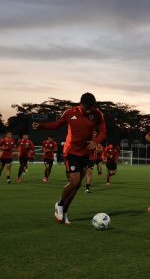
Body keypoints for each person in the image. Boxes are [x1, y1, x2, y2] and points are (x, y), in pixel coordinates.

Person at [33, 92, 106, 225]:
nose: (89, 110)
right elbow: (57, 124)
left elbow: (103, 132)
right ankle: (60, 204)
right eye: (86, 108)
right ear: (80, 104)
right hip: (71, 152)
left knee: (77, 185)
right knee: (74, 181)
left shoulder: (97, 114)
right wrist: (42, 126)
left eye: (91, 108)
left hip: (86, 153)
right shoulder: (69, 113)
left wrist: (95, 141)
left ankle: (65, 211)